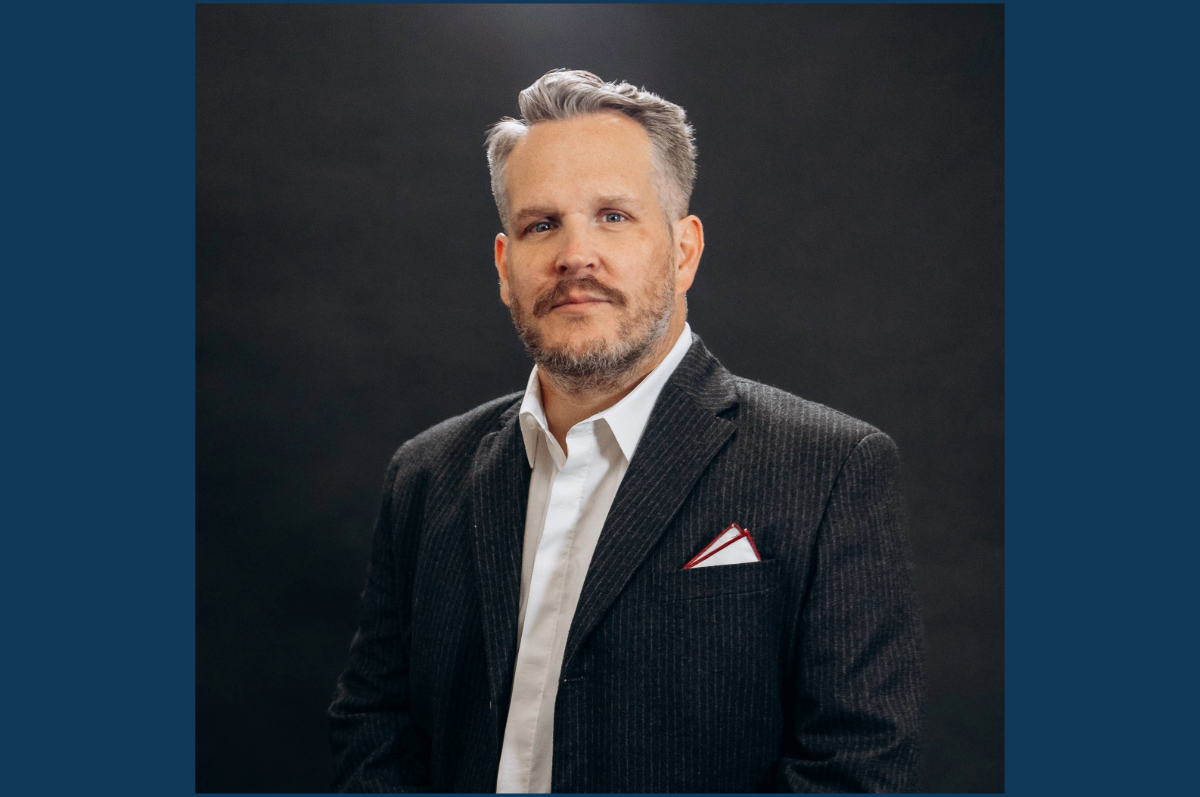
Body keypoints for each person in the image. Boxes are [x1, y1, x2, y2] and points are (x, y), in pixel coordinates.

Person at [329, 68, 924, 793]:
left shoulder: (830, 468)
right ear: (505, 267)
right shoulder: (425, 475)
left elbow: (854, 764)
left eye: (612, 215)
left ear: (683, 251)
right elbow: (375, 724)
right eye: (541, 224)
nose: (575, 254)